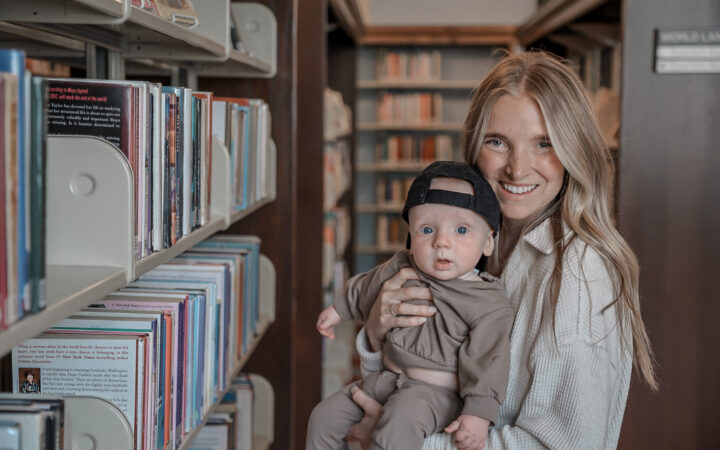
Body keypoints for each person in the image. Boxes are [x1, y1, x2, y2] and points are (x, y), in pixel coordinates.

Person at [346, 51, 658, 450]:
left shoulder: (579, 275)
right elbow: (420, 380)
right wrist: (375, 335)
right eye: (498, 142)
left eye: (544, 144)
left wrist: (407, 441)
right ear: (473, 147)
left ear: (573, 151)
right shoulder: (468, 245)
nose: (517, 169)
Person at [308, 161, 515, 450]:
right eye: (427, 229)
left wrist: (478, 413)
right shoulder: (402, 265)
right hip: (389, 379)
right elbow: (367, 286)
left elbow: (489, 361)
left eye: (461, 230)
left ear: (488, 244)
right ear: (411, 236)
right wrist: (338, 309)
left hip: (435, 394)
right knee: (323, 417)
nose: (441, 242)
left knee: (396, 428)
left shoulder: (488, 303)